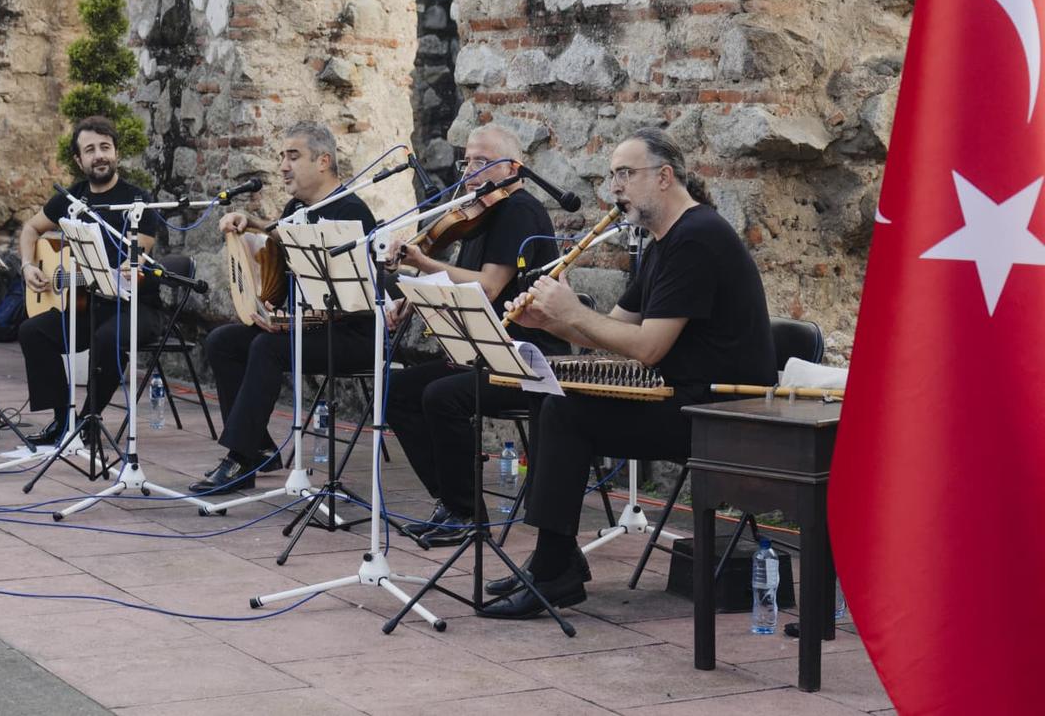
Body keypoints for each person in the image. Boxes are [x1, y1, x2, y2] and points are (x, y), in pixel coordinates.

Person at [478, 127, 776, 619]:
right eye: (611, 175)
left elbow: (649, 347)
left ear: (664, 177)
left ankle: (556, 570)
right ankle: (555, 558)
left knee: (566, 413)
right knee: (548, 393)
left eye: (624, 174)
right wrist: (550, 319)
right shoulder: (663, 240)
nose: (614, 187)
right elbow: (615, 331)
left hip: (720, 410)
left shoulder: (697, 238)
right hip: (679, 395)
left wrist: (572, 314)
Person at [385, 123, 569, 546]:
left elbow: (487, 286)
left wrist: (423, 263)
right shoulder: (477, 216)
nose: (469, 170)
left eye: (482, 162)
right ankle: (451, 502)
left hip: (527, 357)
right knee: (397, 389)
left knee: (441, 396)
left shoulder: (519, 211)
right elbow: (457, 286)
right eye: (466, 160)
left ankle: (468, 514)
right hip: (485, 352)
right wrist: (411, 297)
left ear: (513, 168)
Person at [191, 121, 377, 495]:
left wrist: (293, 323)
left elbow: (356, 299)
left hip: (351, 333)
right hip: (305, 326)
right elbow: (279, 238)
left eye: (293, 156)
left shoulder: (352, 213)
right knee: (223, 341)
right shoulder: (297, 207)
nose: (283, 166)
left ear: (323, 161)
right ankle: (259, 448)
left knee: (267, 347)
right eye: (281, 157)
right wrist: (252, 225)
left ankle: (239, 460)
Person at [17, 116, 162, 446]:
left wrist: (131, 262)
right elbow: (30, 229)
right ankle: (61, 419)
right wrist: (28, 265)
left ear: (116, 154)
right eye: (91, 150)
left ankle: (89, 420)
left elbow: (139, 252)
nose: (99, 156)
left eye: (105, 148)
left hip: (135, 306)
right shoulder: (72, 200)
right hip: (87, 304)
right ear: (79, 160)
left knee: (107, 337)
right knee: (32, 331)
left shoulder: (138, 202)